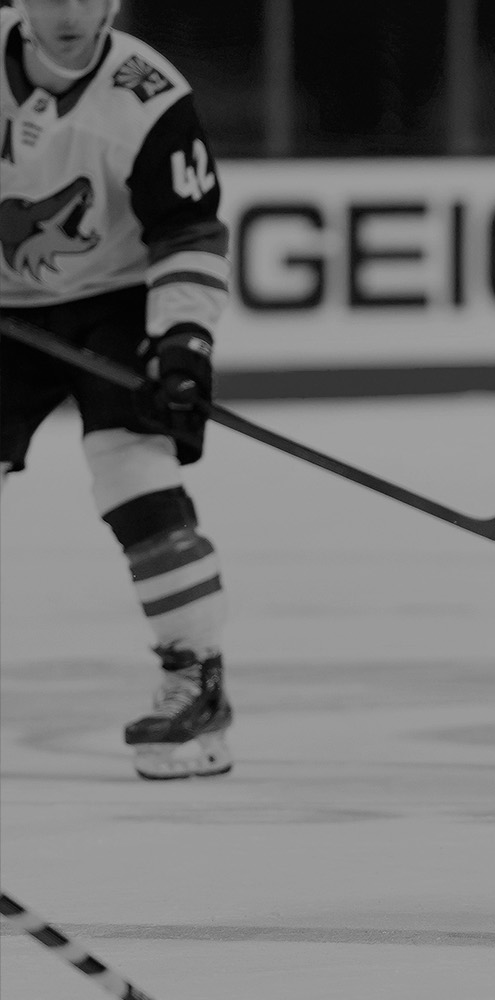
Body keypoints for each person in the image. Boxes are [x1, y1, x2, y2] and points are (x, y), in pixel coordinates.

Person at [1, 0, 233, 780]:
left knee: (133, 472)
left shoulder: (150, 96)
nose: (69, 13)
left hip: (118, 301)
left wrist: (183, 341)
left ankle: (196, 681)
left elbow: (188, 230)